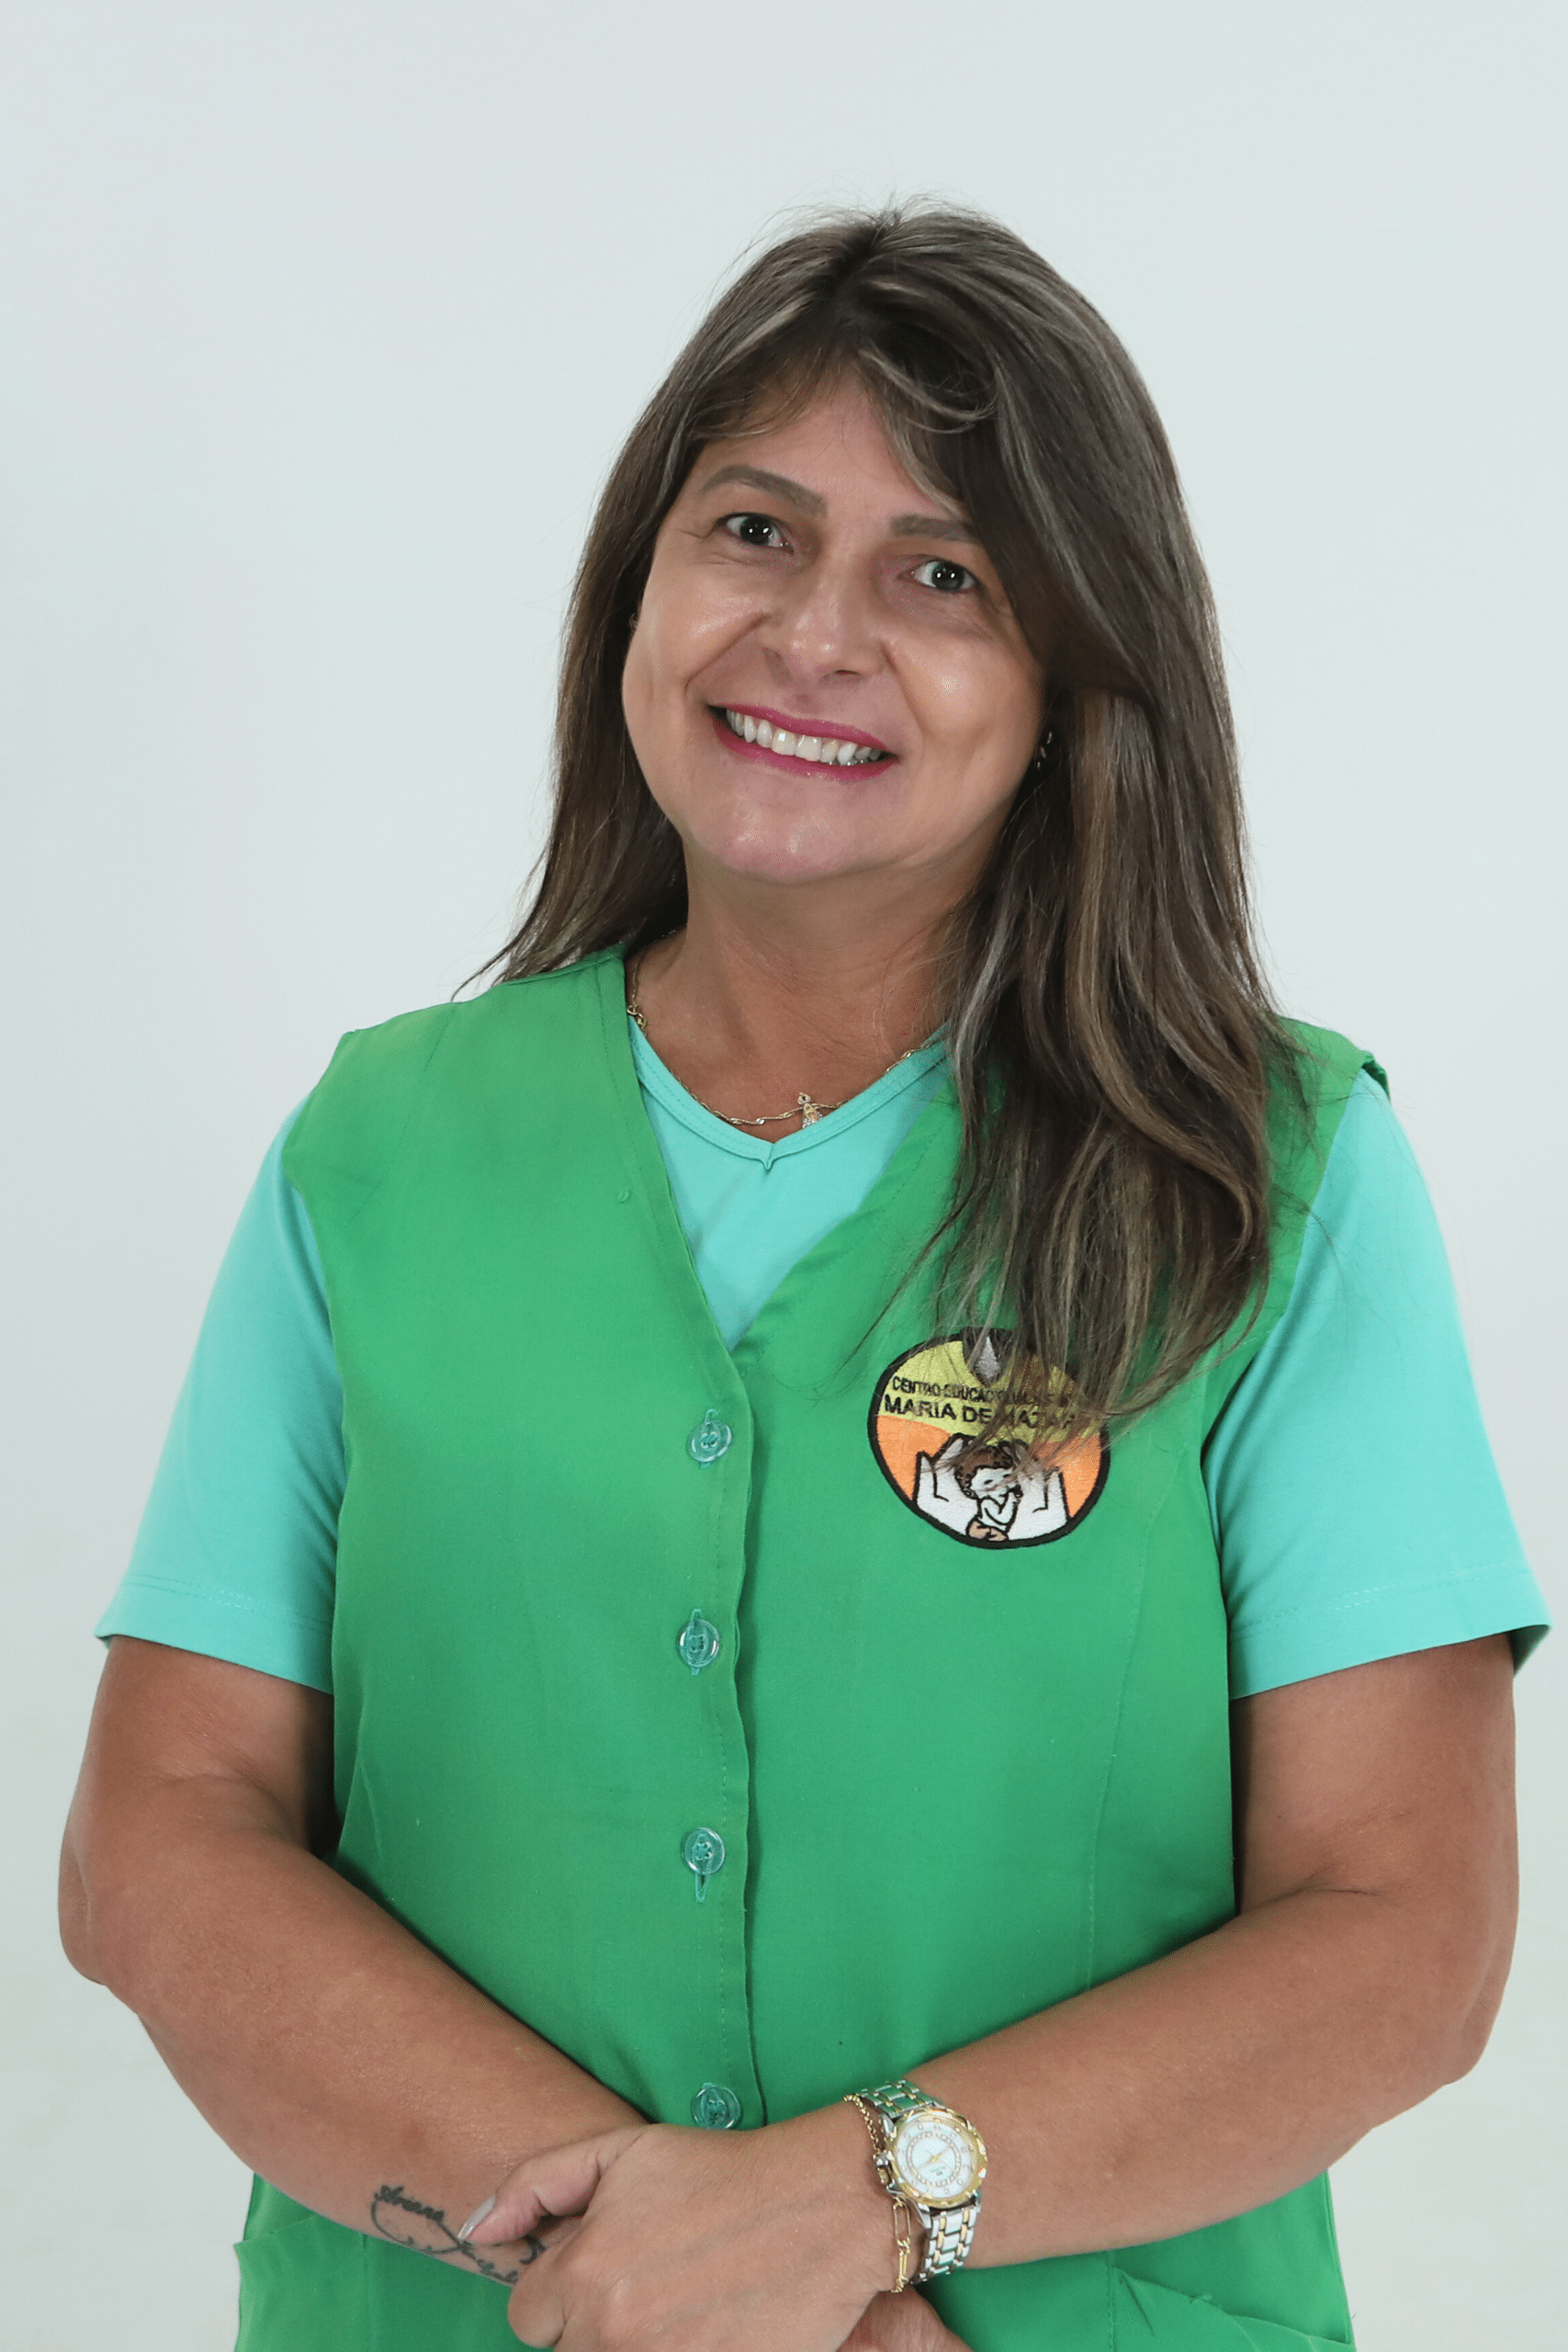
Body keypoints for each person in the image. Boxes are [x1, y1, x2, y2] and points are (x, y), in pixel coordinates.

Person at [60, 205, 1547, 2352]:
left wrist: (858, 2204)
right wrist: (681, 2270)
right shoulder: (377, 1152)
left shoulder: (1271, 1175)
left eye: (943, 575)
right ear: (638, 589)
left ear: (1071, 678)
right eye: (753, 531)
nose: (814, 632)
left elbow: (1402, 1928)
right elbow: (162, 1836)